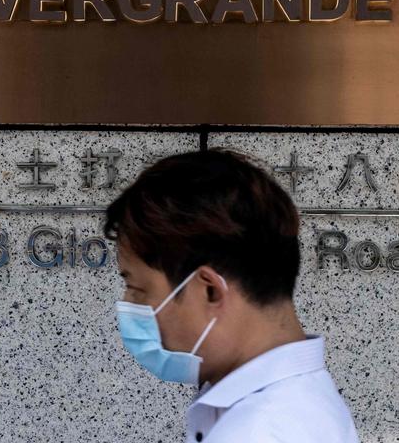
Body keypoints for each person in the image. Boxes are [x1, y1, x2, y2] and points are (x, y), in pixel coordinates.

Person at [104, 148, 360, 443]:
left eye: (138, 290)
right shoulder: (301, 402)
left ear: (210, 290)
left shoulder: (259, 432)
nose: (128, 307)